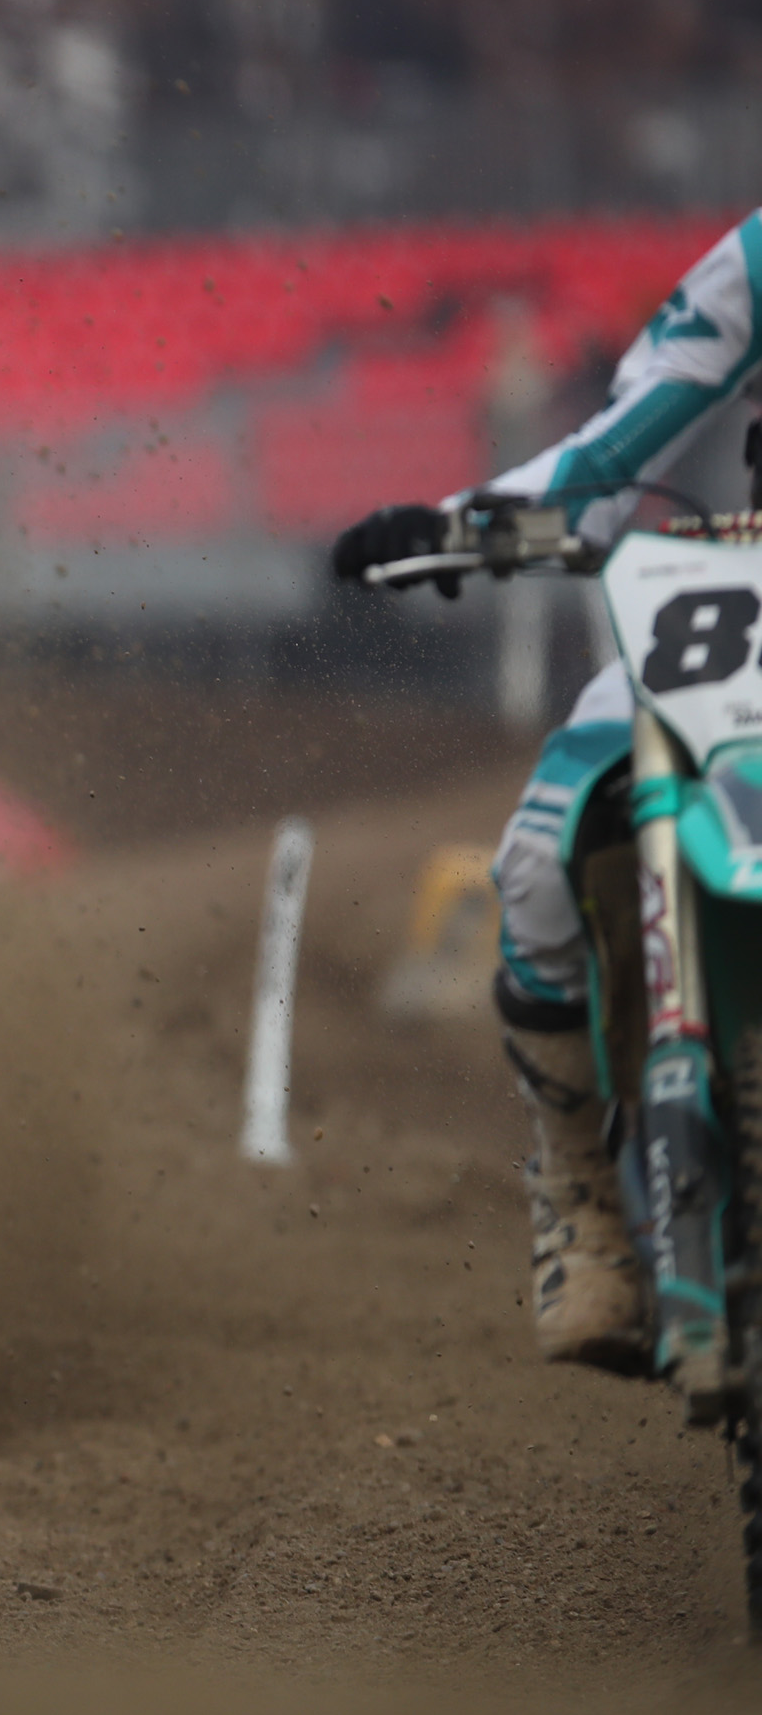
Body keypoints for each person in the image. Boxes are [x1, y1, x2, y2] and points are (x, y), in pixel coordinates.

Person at [333, 208, 762, 1375]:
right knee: (539, 855)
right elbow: (611, 457)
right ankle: (583, 1199)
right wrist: (459, 526)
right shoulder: (755, 260)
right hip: (741, 605)